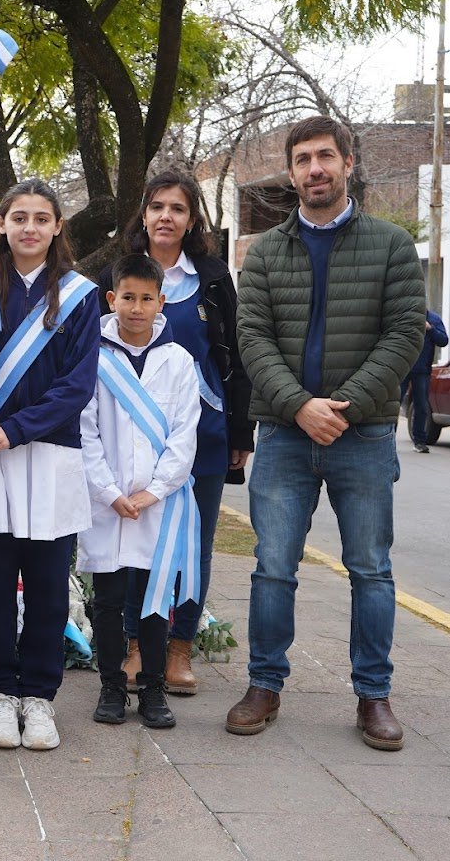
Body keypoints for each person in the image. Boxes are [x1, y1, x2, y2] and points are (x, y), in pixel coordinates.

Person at [230, 115, 425, 751]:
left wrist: (340, 407)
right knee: (272, 567)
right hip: (286, 438)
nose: (314, 169)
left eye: (325, 157)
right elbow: (252, 339)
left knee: (370, 569)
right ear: (291, 174)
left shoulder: (392, 245)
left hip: (362, 436)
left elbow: (405, 335)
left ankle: (374, 696)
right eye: (303, 160)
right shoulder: (265, 254)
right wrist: (299, 407)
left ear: (346, 164)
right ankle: (264, 684)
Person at [96, 170, 253, 696]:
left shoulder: (210, 277)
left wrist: (240, 432)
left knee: (193, 545)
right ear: (143, 213)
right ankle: (138, 647)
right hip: (125, 437)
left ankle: (180, 648)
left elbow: (234, 354)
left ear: (192, 220)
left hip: (198, 437)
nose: (167, 216)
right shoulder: (117, 275)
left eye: (178, 209)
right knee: (133, 541)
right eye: (158, 206)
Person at [0, 178, 99, 751]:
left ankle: (40, 697)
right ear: (1, 224)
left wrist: (16, 429)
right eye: (18, 217)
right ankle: (1, 691)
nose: (29, 227)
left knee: (49, 583)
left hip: (48, 455)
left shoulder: (79, 294)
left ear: (57, 228)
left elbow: (77, 386)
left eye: (41, 218)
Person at [79, 254, 200, 730]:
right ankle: (111, 685)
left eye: (146, 298)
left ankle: (151, 688)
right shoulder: (93, 356)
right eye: (127, 297)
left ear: (160, 302)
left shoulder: (178, 361)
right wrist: (108, 491)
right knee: (108, 599)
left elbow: (185, 432)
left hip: (157, 505)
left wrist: (155, 491)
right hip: (106, 503)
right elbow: (84, 430)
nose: (136, 307)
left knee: (153, 600)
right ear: (112, 299)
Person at [400, 309, 449, 453]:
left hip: (422, 370)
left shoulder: (433, 319)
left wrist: (430, 329)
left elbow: (443, 341)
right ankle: (388, 439)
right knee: (394, 402)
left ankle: (419, 441)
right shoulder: (404, 315)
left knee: (421, 406)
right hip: (402, 367)